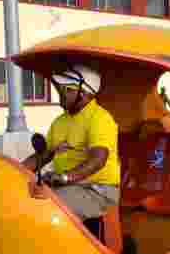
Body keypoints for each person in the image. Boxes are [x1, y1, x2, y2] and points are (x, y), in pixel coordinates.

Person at [21, 65, 120, 222]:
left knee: (46, 207)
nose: (61, 94)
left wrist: (65, 177)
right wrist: (15, 171)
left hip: (97, 190)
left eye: (68, 90)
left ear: (84, 94)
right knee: (22, 199)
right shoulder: (60, 122)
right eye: (61, 89)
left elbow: (98, 160)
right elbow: (43, 155)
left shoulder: (100, 119)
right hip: (65, 186)